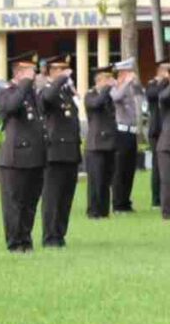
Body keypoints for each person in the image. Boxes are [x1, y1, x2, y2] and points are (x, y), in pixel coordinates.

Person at [0, 51, 46, 252]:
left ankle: (26, 240)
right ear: (18, 73)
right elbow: (11, 107)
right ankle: (14, 242)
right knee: (14, 203)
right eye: (29, 70)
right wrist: (25, 84)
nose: (33, 74)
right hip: (15, 158)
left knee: (30, 203)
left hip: (35, 156)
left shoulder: (33, 94)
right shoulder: (8, 92)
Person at [39, 54, 81, 248]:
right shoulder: (47, 90)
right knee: (53, 197)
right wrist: (62, 79)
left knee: (65, 197)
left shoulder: (65, 93)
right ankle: (50, 236)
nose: (66, 73)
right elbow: (47, 98)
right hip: (54, 152)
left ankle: (60, 234)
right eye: (61, 70)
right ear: (52, 72)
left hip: (70, 151)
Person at [110, 57, 143, 212]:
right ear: (122, 73)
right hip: (121, 132)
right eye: (128, 72)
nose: (131, 75)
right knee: (120, 169)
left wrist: (133, 83)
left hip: (132, 132)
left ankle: (125, 202)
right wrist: (125, 82)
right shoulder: (116, 87)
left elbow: (141, 97)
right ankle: (117, 203)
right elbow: (115, 98)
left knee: (129, 169)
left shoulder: (131, 87)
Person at [84, 66, 117, 218]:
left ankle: (103, 210)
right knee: (95, 180)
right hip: (96, 144)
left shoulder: (108, 96)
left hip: (109, 142)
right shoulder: (90, 95)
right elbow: (96, 104)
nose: (110, 83)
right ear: (99, 81)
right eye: (107, 80)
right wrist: (105, 89)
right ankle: (93, 210)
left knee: (106, 179)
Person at [145, 59, 169, 209]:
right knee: (158, 166)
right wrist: (163, 81)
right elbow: (152, 95)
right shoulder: (154, 84)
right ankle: (156, 199)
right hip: (157, 129)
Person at [156, 67, 170, 220]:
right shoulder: (164, 92)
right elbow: (163, 97)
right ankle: (167, 212)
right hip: (166, 144)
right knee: (167, 180)